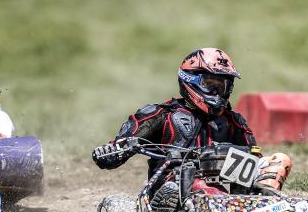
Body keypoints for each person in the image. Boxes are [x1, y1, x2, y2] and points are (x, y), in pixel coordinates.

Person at [92, 48, 291, 204]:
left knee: (280, 160)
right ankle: (171, 210)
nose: (216, 92)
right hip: (172, 188)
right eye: (210, 84)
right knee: (193, 177)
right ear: (190, 80)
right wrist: (115, 150)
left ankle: (267, 211)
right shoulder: (162, 114)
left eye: (222, 86)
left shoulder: (234, 120)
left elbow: (254, 162)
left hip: (228, 194)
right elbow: (118, 149)